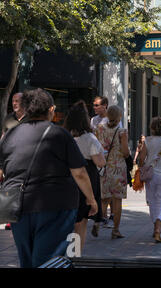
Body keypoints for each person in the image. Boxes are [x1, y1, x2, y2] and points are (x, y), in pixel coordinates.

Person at [0, 88, 97, 268]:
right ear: (51, 110)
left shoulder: (10, 135)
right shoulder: (59, 134)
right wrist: (91, 199)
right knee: (50, 259)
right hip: (55, 204)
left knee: (27, 259)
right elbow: (79, 173)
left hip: (17, 206)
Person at [63, 100, 106, 249]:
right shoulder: (89, 138)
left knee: (70, 218)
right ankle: (75, 254)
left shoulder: (65, 136)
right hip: (86, 177)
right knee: (81, 221)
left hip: (66, 178)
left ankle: (68, 251)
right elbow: (100, 162)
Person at [95, 105, 130, 239]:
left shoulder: (99, 129)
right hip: (118, 168)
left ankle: (98, 223)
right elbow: (125, 152)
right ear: (119, 116)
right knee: (117, 201)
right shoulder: (122, 132)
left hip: (103, 168)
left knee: (104, 199)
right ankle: (115, 230)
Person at [2, 92, 28, 231]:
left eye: (17, 101)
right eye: (13, 100)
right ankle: (10, 218)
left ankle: (23, 217)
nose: (14, 103)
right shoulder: (9, 119)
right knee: (10, 188)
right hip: (11, 159)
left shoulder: (30, 118)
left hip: (27, 159)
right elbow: (3, 137)